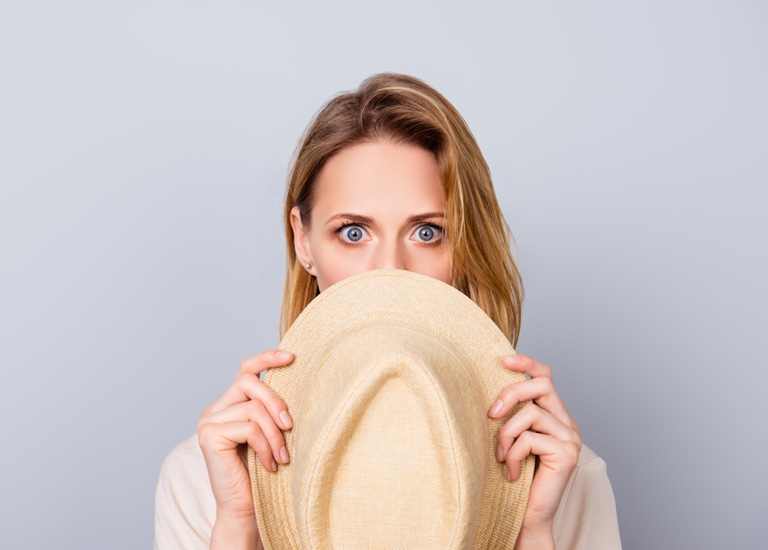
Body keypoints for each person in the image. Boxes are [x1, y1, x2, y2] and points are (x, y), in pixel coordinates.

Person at [155, 73, 621, 549]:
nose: (390, 270)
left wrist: (533, 531)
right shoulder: (204, 478)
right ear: (303, 240)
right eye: (353, 232)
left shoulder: (568, 478)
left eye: (427, 232)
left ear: (466, 247)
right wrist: (238, 528)